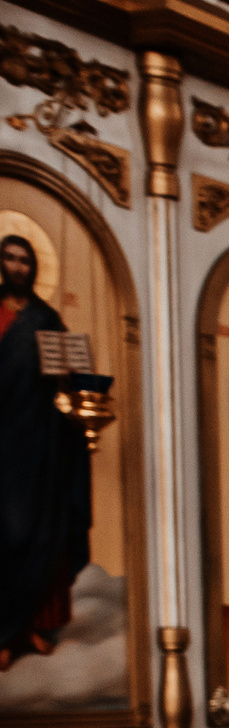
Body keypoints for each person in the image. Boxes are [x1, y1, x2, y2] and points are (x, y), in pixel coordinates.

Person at [0, 233, 91, 672]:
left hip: (39, 441)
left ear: (34, 269)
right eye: (10, 259)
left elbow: (66, 383)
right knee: (5, 533)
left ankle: (30, 625)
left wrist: (76, 380)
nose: (17, 267)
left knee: (40, 530)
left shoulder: (47, 319)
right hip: (2, 441)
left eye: (24, 261)